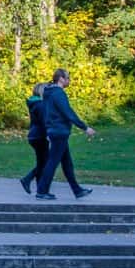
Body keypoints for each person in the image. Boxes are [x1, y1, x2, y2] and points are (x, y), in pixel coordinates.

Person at [35, 68, 96, 200]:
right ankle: (42, 191)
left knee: (67, 163)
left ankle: (77, 190)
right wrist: (85, 128)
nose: (69, 80)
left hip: (55, 131)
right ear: (61, 79)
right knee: (52, 162)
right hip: (60, 131)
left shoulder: (49, 93)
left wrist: (47, 130)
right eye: (67, 78)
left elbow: (45, 114)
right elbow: (68, 112)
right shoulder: (58, 93)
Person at [18, 82, 49, 194]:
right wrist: (49, 134)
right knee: (46, 163)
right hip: (40, 136)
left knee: (42, 162)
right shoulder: (40, 105)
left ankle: (39, 189)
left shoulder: (34, 103)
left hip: (34, 136)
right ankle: (27, 179)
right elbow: (44, 122)